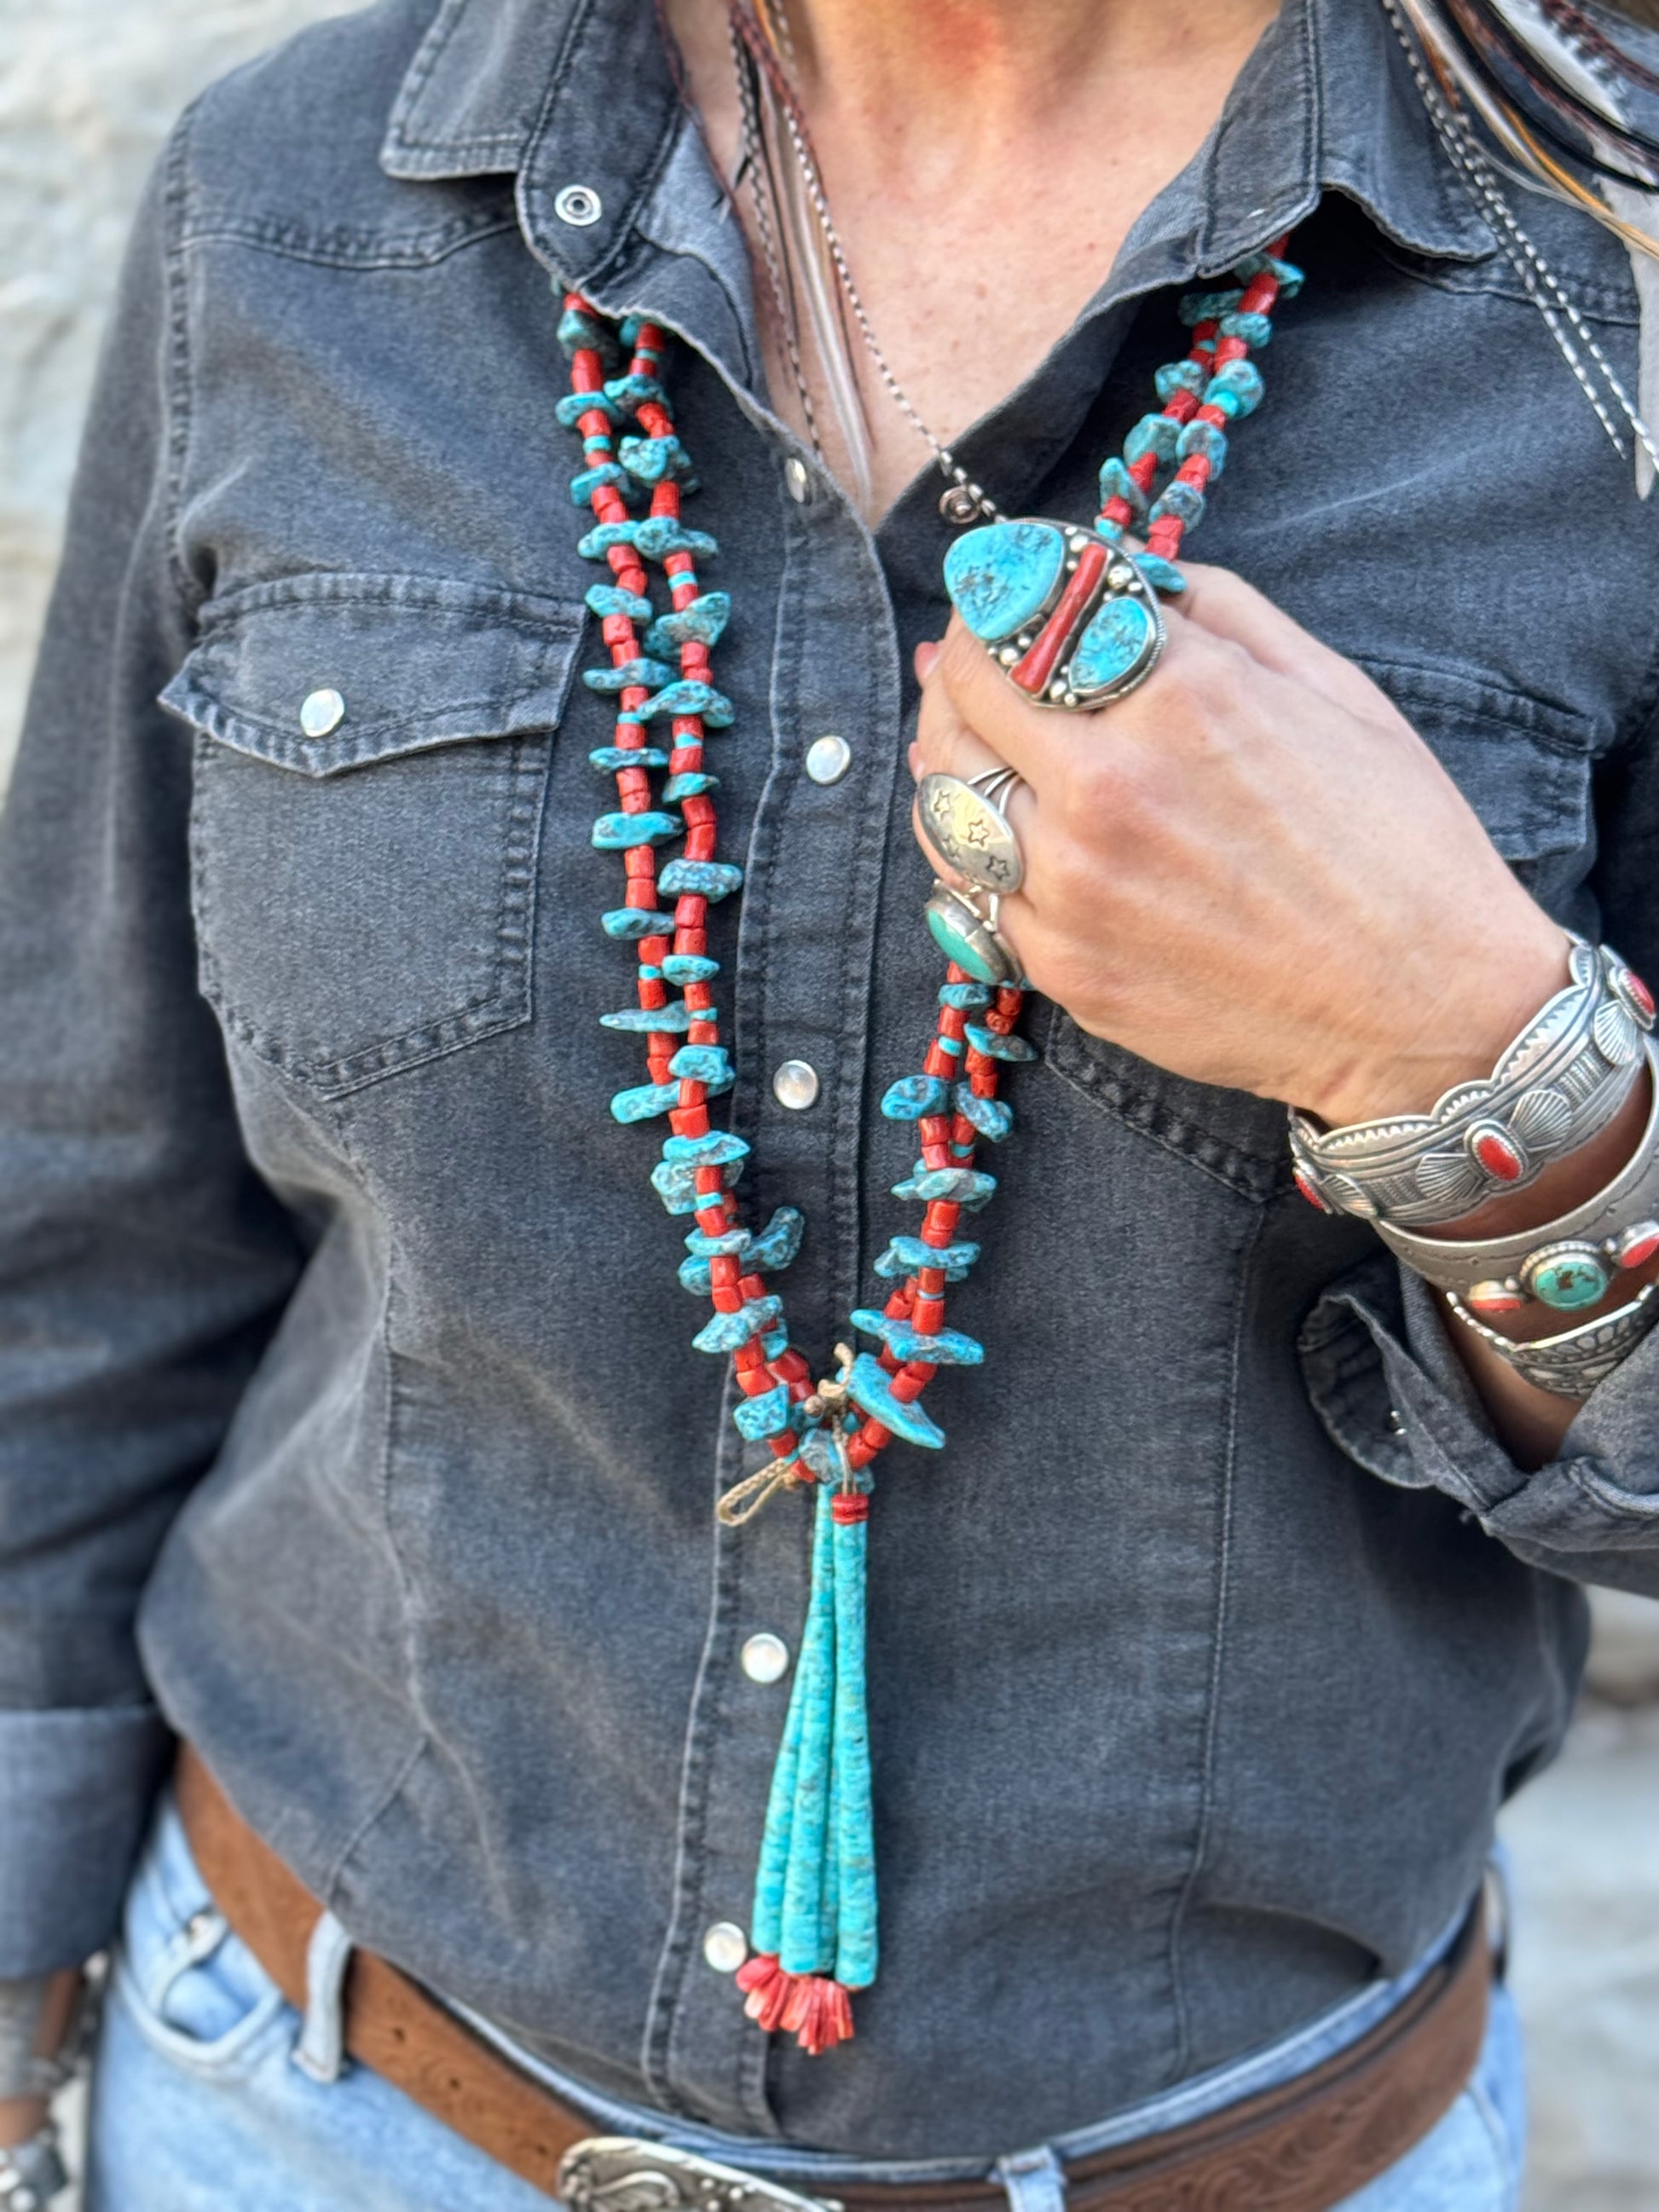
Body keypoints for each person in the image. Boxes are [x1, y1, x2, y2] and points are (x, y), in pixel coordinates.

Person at [3, 0, 1657, 2203]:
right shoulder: (296, 198)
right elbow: (87, 1232)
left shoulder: (1599, 290)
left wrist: (1453, 1046)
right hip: (292, 2107)